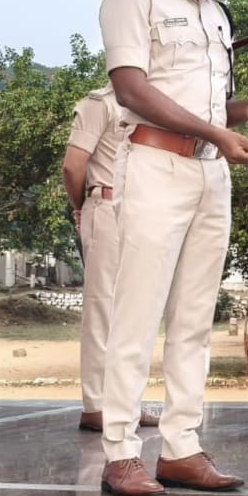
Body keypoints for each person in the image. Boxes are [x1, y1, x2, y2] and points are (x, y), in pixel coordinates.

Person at [97, 0, 248, 496]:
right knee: (137, 313)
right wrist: (218, 131)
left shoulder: (216, 10)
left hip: (210, 174)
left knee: (195, 316)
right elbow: (133, 89)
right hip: (155, 166)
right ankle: (120, 453)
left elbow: (216, 103)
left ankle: (182, 447)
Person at [61, 87, 160, 433]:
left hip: (142, 209)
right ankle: (97, 406)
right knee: (103, 308)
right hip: (105, 204)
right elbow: (73, 166)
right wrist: (80, 207)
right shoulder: (98, 103)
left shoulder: (152, 104)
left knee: (135, 312)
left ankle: (126, 403)